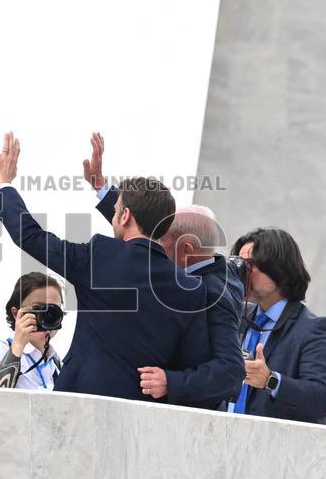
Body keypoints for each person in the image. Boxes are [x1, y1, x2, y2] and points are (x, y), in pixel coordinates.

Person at [0, 131, 211, 401]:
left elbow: (30, 236)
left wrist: (4, 184)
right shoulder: (190, 288)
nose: (114, 214)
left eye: (116, 210)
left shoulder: (98, 256)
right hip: (143, 412)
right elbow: (194, 363)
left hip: (79, 401)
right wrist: (101, 187)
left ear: (124, 216)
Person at [83, 132, 245, 408]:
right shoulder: (198, 268)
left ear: (185, 249)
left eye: (160, 238)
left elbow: (231, 371)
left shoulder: (214, 294)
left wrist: (172, 382)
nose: (151, 243)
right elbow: (140, 232)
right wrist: (101, 187)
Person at [230, 228, 326, 424]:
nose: (242, 274)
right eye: (239, 264)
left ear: (279, 271)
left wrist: (270, 380)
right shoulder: (235, 318)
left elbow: (322, 398)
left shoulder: (313, 329)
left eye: (250, 266)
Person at [0, 273, 64, 389]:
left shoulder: (56, 362)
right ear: (15, 313)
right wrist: (17, 347)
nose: (45, 316)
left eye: (52, 310)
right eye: (37, 308)